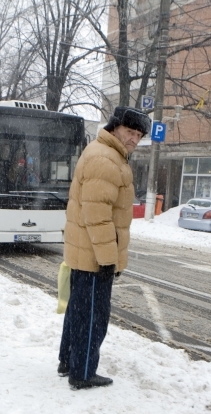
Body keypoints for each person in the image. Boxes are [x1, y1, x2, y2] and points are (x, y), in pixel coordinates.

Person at [57, 106, 151, 390]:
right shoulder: (106, 159)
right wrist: (109, 259)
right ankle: (83, 372)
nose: (134, 139)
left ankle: (68, 361)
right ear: (115, 127)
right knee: (93, 316)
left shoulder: (105, 153)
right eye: (130, 132)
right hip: (95, 257)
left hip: (85, 252)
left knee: (79, 310)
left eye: (138, 134)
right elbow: (97, 215)